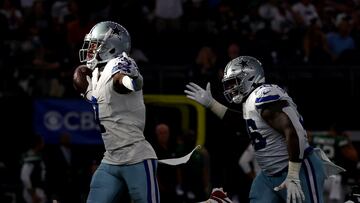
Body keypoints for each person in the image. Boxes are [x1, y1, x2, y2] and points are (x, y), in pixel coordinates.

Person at [185, 55, 345, 203]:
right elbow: (245, 125)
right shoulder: (251, 101)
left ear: (249, 77)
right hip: (268, 174)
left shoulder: (264, 94)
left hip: (297, 169)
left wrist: (293, 174)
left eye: (234, 82)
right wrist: (212, 104)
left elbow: (292, 129)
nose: (231, 88)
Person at [73, 21, 159, 203]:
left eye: (94, 45)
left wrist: (133, 80)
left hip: (136, 156)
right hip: (111, 158)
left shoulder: (118, 63)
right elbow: (100, 98)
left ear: (111, 47)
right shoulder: (96, 74)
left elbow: (122, 82)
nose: (89, 49)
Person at [20, 134, 47, 203]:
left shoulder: (39, 157)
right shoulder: (30, 158)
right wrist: (33, 194)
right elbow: (24, 177)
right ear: (38, 144)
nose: (44, 144)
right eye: (42, 142)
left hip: (40, 190)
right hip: (33, 192)